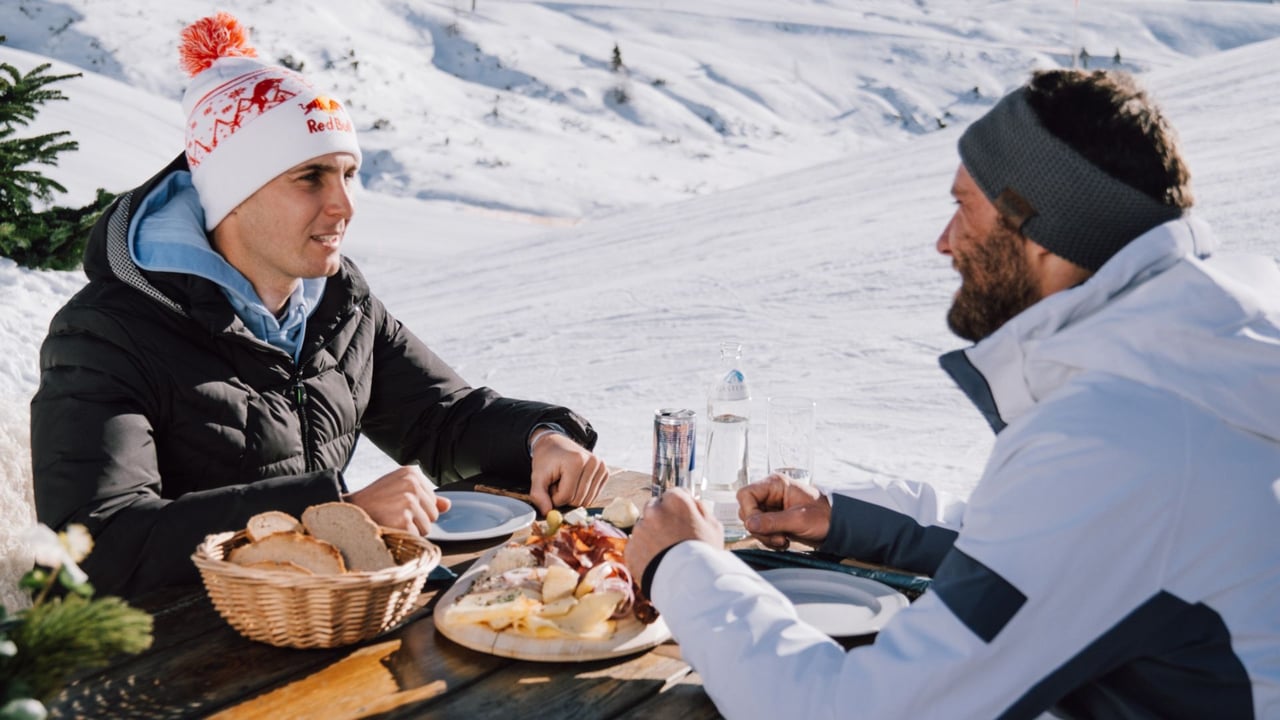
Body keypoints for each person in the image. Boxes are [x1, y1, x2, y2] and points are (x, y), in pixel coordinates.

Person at [625, 68, 1280, 718]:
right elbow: (1063, 555)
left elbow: (850, 711)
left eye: (964, 205)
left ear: (1042, 231)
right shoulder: (1208, 356)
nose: (944, 242)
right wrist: (846, 520)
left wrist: (683, 564)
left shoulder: (1124, 432)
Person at [31, 13, 608, 599]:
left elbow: (440, 420)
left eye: (348, 174)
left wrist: (541, 438)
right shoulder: (105, 335)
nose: (344, 206)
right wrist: (333, 511)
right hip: (172, 657)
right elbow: (97, 546)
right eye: (310, 178)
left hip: (314, 617)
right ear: (231, 196)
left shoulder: (337, 305)